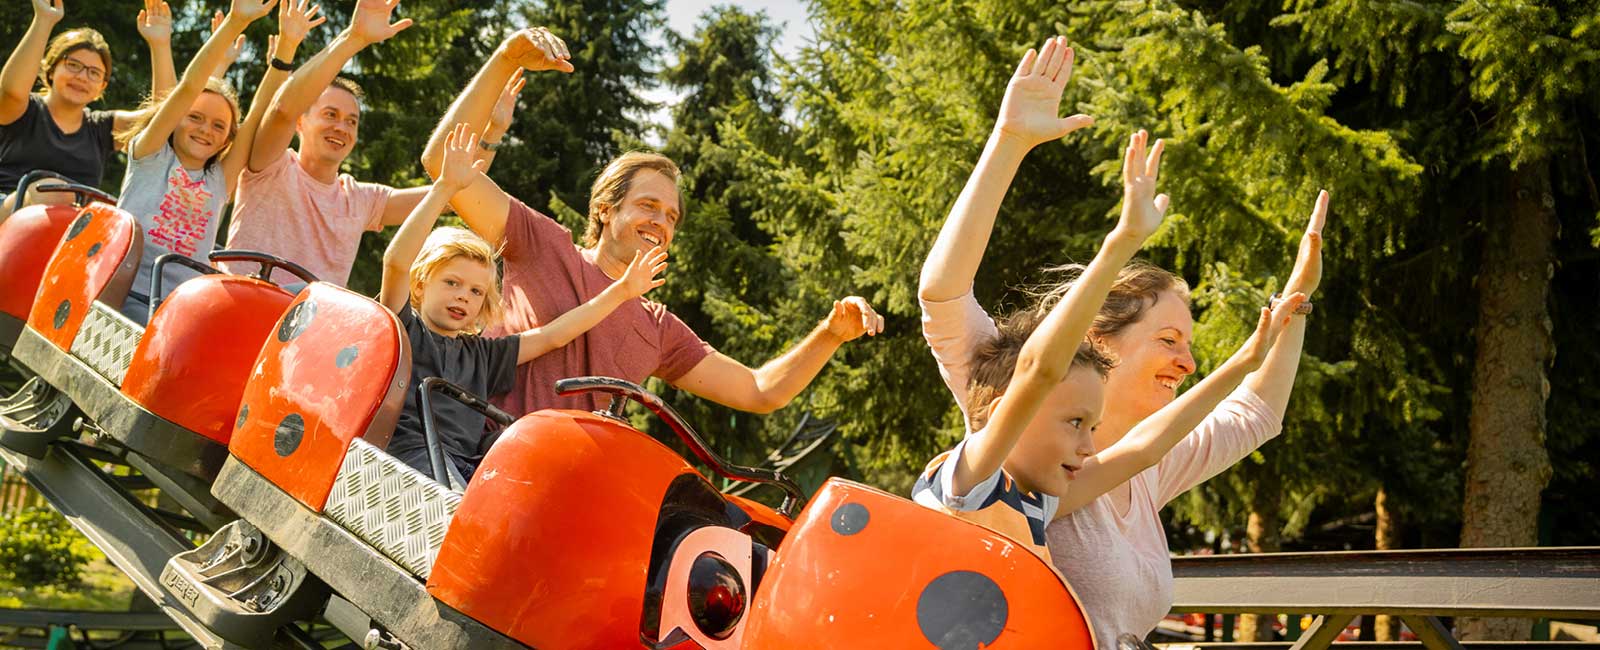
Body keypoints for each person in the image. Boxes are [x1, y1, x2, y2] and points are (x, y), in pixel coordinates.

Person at [918, 36, 1326, 645]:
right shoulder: (985, 466)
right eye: (1167, 339)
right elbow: (997, 339)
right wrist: (1017, 149)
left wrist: (1277, 325)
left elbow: (1173, 441)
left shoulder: (1064, 485)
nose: (1186, 361)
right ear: (1094, 342)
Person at [419, 27, 885, 418]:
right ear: (605, 209)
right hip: (475, 463)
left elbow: (761, 392)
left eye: (671, 216)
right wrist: (503, 59)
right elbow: (444, 164)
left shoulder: (658, 328)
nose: (660, 222)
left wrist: (830, 334)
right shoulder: (541, 244)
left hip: (566, 498)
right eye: (647, 206)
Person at [377, 123, 669, 485]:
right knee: (457, 497)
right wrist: (445, 188)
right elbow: (395, 262)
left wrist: (622, 291)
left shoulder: (482, 356)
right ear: (420, 284)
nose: (463, 297)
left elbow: (552, 336)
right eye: (452, 283)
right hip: (414, 455)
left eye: (475, 292)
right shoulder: (403, 327)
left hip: (471, 461)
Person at [114, 0, 325, 322]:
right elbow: (187, 88)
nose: (205, 130)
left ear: (227, 139)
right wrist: (234, 22)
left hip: (181, 308)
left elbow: (255, 115)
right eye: (195, 118)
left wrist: (284, 52)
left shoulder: (218, 180)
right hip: (124, 291)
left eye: (218, 126)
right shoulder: (151, 155)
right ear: (175, 119)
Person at [222, 0, 432, 287]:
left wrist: (492, 133)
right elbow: (282, 109)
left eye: (351, 121)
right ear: (301, 122)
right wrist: (353, 39)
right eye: (330, 114)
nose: (341, 127)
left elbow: (446, 195)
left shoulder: (359, 199)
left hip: (310, 328)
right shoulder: (271, 165)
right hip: (240, 309)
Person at [0, 0, 176, 218]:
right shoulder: (25, 110)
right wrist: (44, 20)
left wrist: (160, 45)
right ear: (51, 69)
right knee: (53, 191)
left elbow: (163, 121)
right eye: (73, 65)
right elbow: (10, 92)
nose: (82, 77)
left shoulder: (101, 127)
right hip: (9, 215)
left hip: (71, 233)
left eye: (94, 72)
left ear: (102, 86)